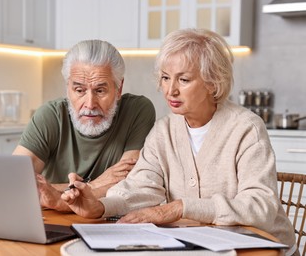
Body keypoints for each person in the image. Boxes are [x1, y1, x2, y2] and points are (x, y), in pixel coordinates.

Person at [61, 29, 297, 254]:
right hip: (204, 248)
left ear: (212, 82)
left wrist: (180, 207)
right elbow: (141, 187)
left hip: (262, 249)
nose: (170, 90)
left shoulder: (246, 128)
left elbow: (260, 206)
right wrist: (100, 206)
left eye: (183, 80)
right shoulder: (163, 131)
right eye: (165, 78)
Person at [13, 39, 156, 212]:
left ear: (118, 89)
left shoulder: (137, 110)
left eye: (100, 91)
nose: (89, 104)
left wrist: (57, 196)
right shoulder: (50, 115)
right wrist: (95, 184)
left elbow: (130, 183)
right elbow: (13, 183)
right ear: (68, 89)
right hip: (52, 220)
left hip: (106, 219)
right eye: (79, 91)